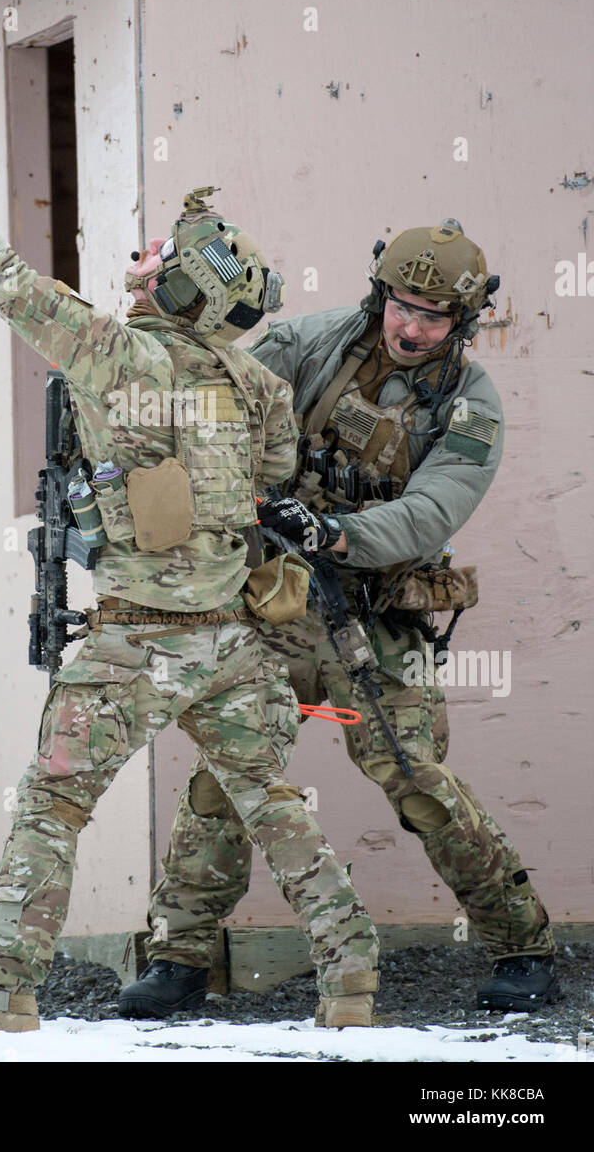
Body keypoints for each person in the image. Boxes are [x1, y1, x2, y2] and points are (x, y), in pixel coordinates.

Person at [0, 111, 380, 1034]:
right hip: (231, 644)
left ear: (187, 286)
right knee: (272, 803)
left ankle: (1, 992)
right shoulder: (259, 385)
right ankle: (350, 976)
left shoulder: (111, 352)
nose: (140, 264)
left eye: (160, 261)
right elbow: (274, 477)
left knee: (51, 802)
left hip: (130, 640)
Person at [121, 222, 559, 1018]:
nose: (411, 327)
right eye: (402, 305)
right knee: (228, 776)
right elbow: (220, 403)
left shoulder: (472, 404)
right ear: (380, 294)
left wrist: (336, 533)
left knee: (419, 783)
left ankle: (523, 945)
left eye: (432, 315)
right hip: (276, 601)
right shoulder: (311, 342)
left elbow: (432, 510)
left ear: (461, 321)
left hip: (376, 616)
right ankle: (179, 958)